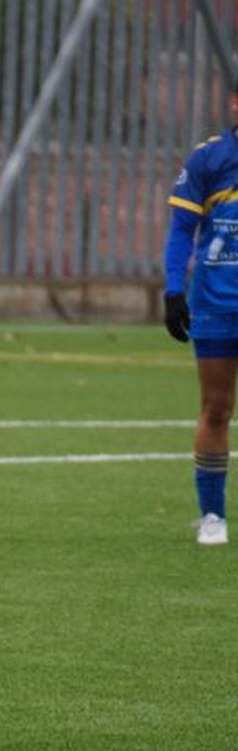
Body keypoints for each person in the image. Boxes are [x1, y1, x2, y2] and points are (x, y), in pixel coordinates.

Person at [163, 80, 238, 546]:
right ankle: (212, 515)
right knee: (215, 407)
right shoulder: (209, 159)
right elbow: (180, 231)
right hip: (215, 305)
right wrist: (174, 291)